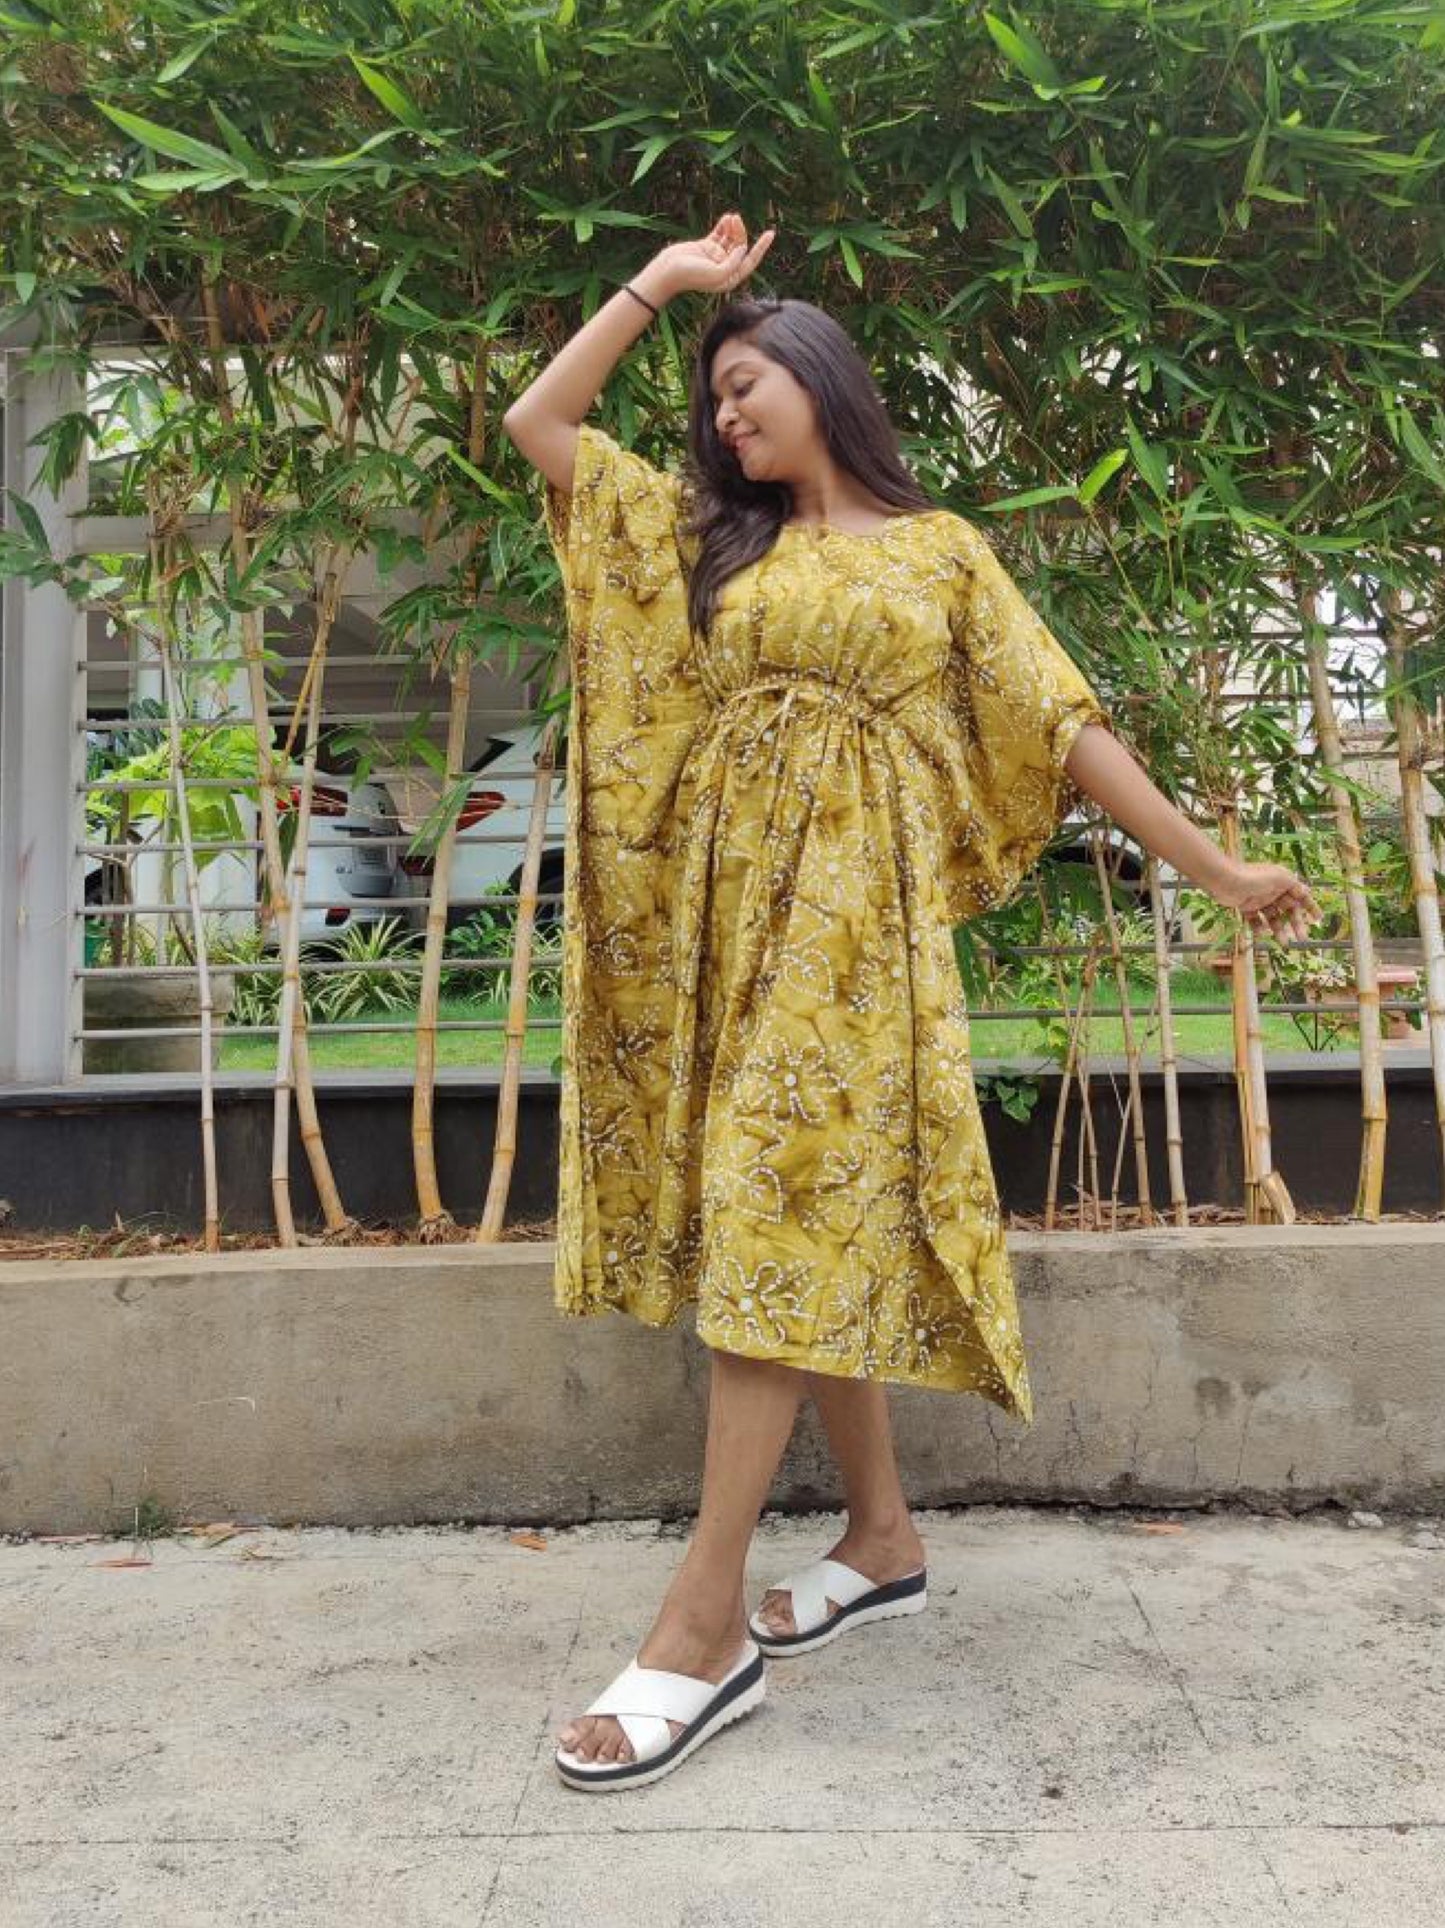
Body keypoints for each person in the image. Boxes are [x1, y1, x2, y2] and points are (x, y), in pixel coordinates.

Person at [501, 213, 1323, 1793]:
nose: (725, 416)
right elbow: (543, 425)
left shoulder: (940, 551)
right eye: (712, 399)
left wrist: (1213, 867)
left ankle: (700, 1627)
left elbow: (1061, 723)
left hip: (854, 928)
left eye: (745, 385)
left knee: (775, 1212)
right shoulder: (711, 538)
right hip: (729, 921)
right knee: (808, 1215)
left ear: (819, 378)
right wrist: (661, 286)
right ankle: (878, 1538)